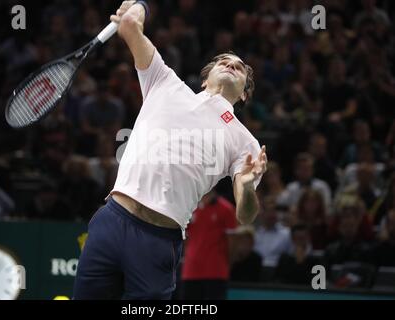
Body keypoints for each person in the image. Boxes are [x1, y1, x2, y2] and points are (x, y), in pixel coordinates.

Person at [73, 0, 267, 300]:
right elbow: (128, 26)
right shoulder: (164, 81)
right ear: (206, 77)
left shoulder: (246, 142)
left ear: (243, 93)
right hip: (111, 220)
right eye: (224, 61)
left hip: (158, 239)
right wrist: (137, 5)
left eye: (240, 67)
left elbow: (246, 214)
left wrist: (245, 186)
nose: (231, 64)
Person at [180, 190, 237, 300]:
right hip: (190, 272)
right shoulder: (190, 207)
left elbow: (233, 242)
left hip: (216, 272)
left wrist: (227, 264)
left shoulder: (226, 209)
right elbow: (185, 238)